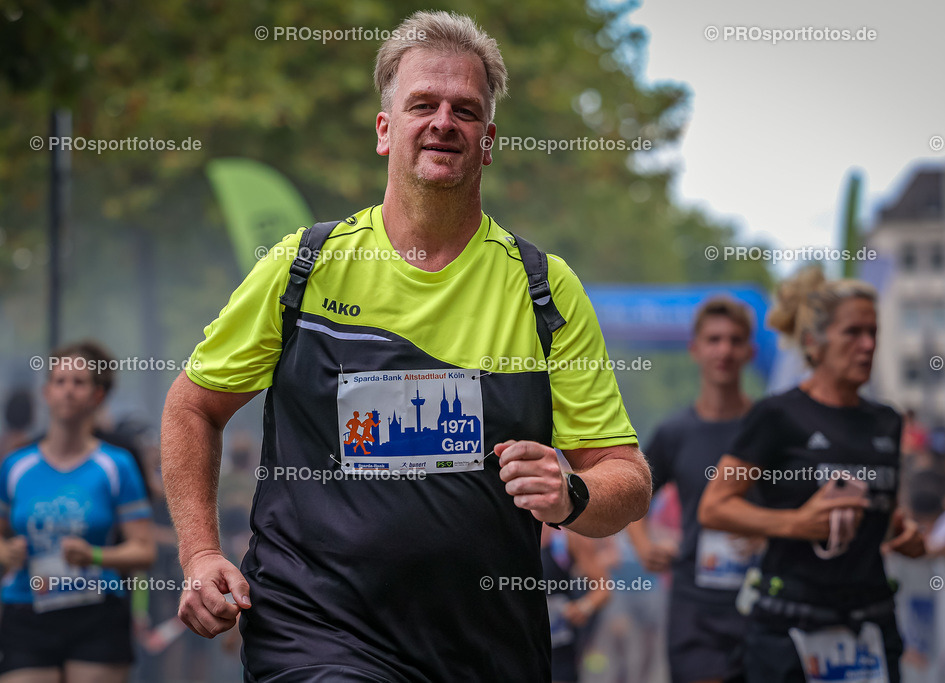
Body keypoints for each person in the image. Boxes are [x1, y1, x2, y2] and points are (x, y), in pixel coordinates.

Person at [160, 11, 651, 683]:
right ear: (386, 130)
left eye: (466, 110)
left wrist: (570, 492)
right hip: (317, 631)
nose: (444, 120)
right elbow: (192, 406)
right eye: (423, 103)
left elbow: (626, 477)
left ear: (489, 140)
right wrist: (199, 554)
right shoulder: (305, 267)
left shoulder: (544, 289)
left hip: (488, 647)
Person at [698, 268, 926, 683]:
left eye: (873, 332)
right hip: (790, 626)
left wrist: (902, 531)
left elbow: (884, 509)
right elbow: (714, 507)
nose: (868, 345)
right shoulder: (777, 415)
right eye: (852, 333)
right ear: (813, 343)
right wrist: (794, 523)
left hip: (870, 624)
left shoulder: (887, 422)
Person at [0, 341, 155, 683]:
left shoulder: (117, 464)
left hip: (97, 614)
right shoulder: (16, 464)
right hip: (26, 611)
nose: (68, 391)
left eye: (79, 383)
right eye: (60, 382)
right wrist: (5, 552)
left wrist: (95, 556)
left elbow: (144, 550)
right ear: (46, 392)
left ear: (97, 395)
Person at [628, 296, 760, 683]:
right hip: (695, 608)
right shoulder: (675, 432)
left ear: (750, 351)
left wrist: (766, 531)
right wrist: (644, 544)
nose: (725, 350)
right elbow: (635, 493)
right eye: (714, 339)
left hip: (762, 603)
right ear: (695, 349)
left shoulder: (768, 427)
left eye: (735, 340)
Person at [542, 524, 612, 683]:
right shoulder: (504, 533)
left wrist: (583, 607)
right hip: (518, 644)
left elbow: (603, 587)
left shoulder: (564, 539)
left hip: (559, 645)